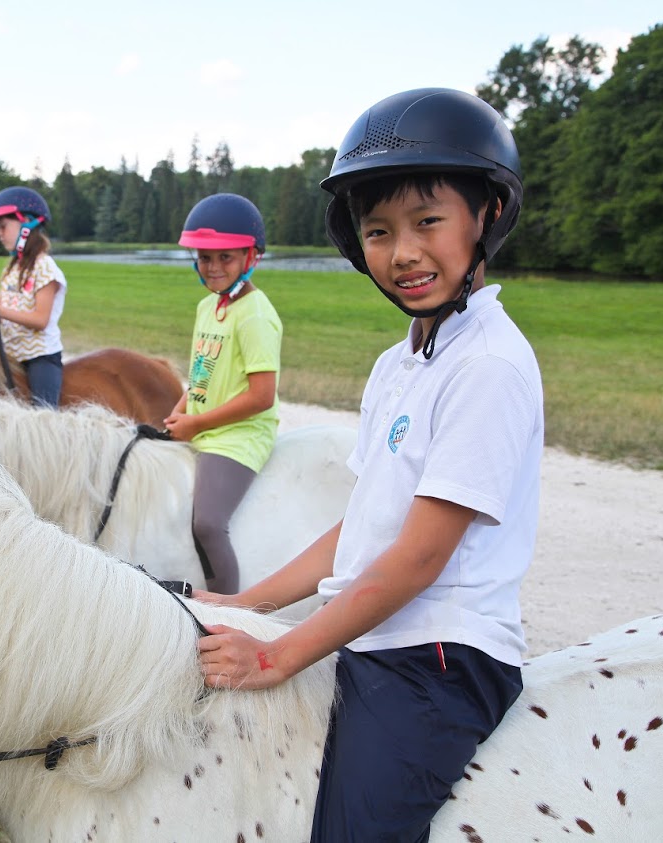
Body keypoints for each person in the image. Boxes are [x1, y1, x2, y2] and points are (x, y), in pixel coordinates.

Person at [195, 88, 544, 841]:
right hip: (378, 636)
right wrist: (246, 603)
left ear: (486, 215)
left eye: (427, 222)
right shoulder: (401, 360)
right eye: (379, 231)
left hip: (440, 661)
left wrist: (278, 654)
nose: (403, 252)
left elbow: (417, 558)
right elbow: (364, 525)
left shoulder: (488, 365)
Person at [164, 193, 282, 594]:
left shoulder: (255, 315)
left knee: (208, 524)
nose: (213, 268)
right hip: (204, 425)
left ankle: (227, 609)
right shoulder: (206, 307)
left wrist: (196, 423)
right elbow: (200, 373)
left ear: (252, 258)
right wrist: (179, 411)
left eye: (225, 258)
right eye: (205, 258)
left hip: (240, 434)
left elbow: (262, 396)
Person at [0, 186, 67, 407]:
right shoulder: (13, 270)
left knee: (43, 415)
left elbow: (41, 320)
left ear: (27, 224)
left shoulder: (45, 268)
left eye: (3, 227)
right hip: (11, 356)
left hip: (39, 358)